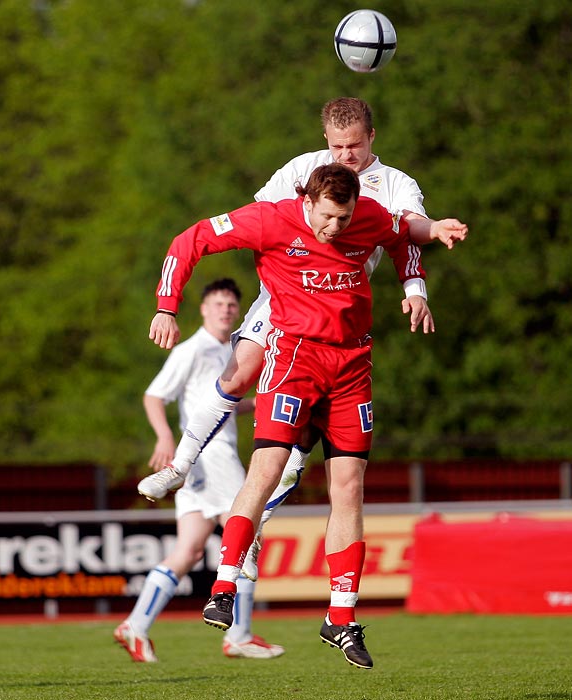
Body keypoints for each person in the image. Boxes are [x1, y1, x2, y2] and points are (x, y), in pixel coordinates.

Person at [137, 97, 468, 581]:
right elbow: (261, 218)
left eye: (354, 146)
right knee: (239, 373)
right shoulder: (305, 169)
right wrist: (168, 305)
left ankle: (253, 530)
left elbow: (405, 237)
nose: (345, 156)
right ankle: (181, 466)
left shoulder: (396, 185)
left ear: (372, 138)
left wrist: (416, 285)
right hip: (283, 299)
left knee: (295, 449)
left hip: (338, 320)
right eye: (336, 146)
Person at [143, 162, 454, 669]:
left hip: (353, 366)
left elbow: (403, 232)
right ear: (307, 201)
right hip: (294, 359)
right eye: (328, 217)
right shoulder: (269, 219)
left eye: (345, 218)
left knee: (349, 486)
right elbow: (190, 239)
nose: (336, 228)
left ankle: (341, 617)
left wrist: (433, 234)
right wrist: (166, 305)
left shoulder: (368, 217)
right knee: (266, 466)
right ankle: (223, 585)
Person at [114, 278, 284, 662]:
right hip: (212, 457)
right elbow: (154, 395)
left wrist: (254, 404)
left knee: (188, 551)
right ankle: (238, 634)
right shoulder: (194, 349)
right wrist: (164, 439)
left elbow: (218, 401)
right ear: (204, 308)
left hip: (203, 463)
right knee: (248, 534)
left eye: (230, 304)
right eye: (218, 303)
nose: (225, 309)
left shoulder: (236, 347)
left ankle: (135, 625)